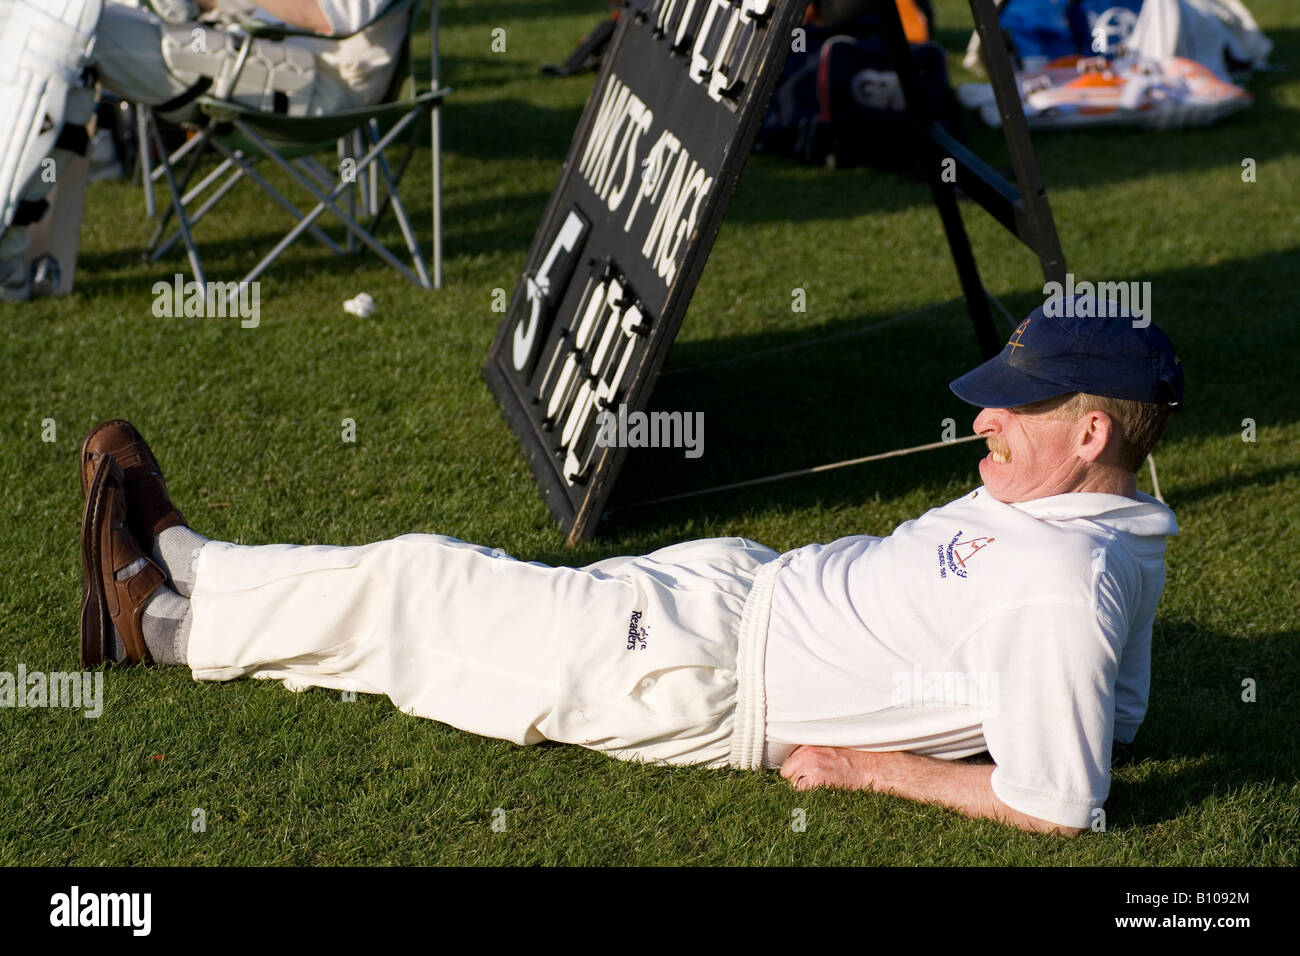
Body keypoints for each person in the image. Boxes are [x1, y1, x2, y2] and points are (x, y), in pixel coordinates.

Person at [78, 300, 1183, 837]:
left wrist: (869, 767)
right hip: (730, 596)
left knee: (427, 589)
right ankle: (193, 586)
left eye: (1014, 404)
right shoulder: (1117, 525)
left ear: (1091, 436)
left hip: (703, 674)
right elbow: (1121, 717)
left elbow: (1059, 801)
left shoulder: (1061, 584)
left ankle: (174, 609)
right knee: (442, 634)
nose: (982, 415)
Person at [1, 0, 407, 299]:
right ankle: (11, 252)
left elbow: (329, 14)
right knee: (37, 11)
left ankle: (8, 249)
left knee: (64, 21)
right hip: (259, 54)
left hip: (315, 87)